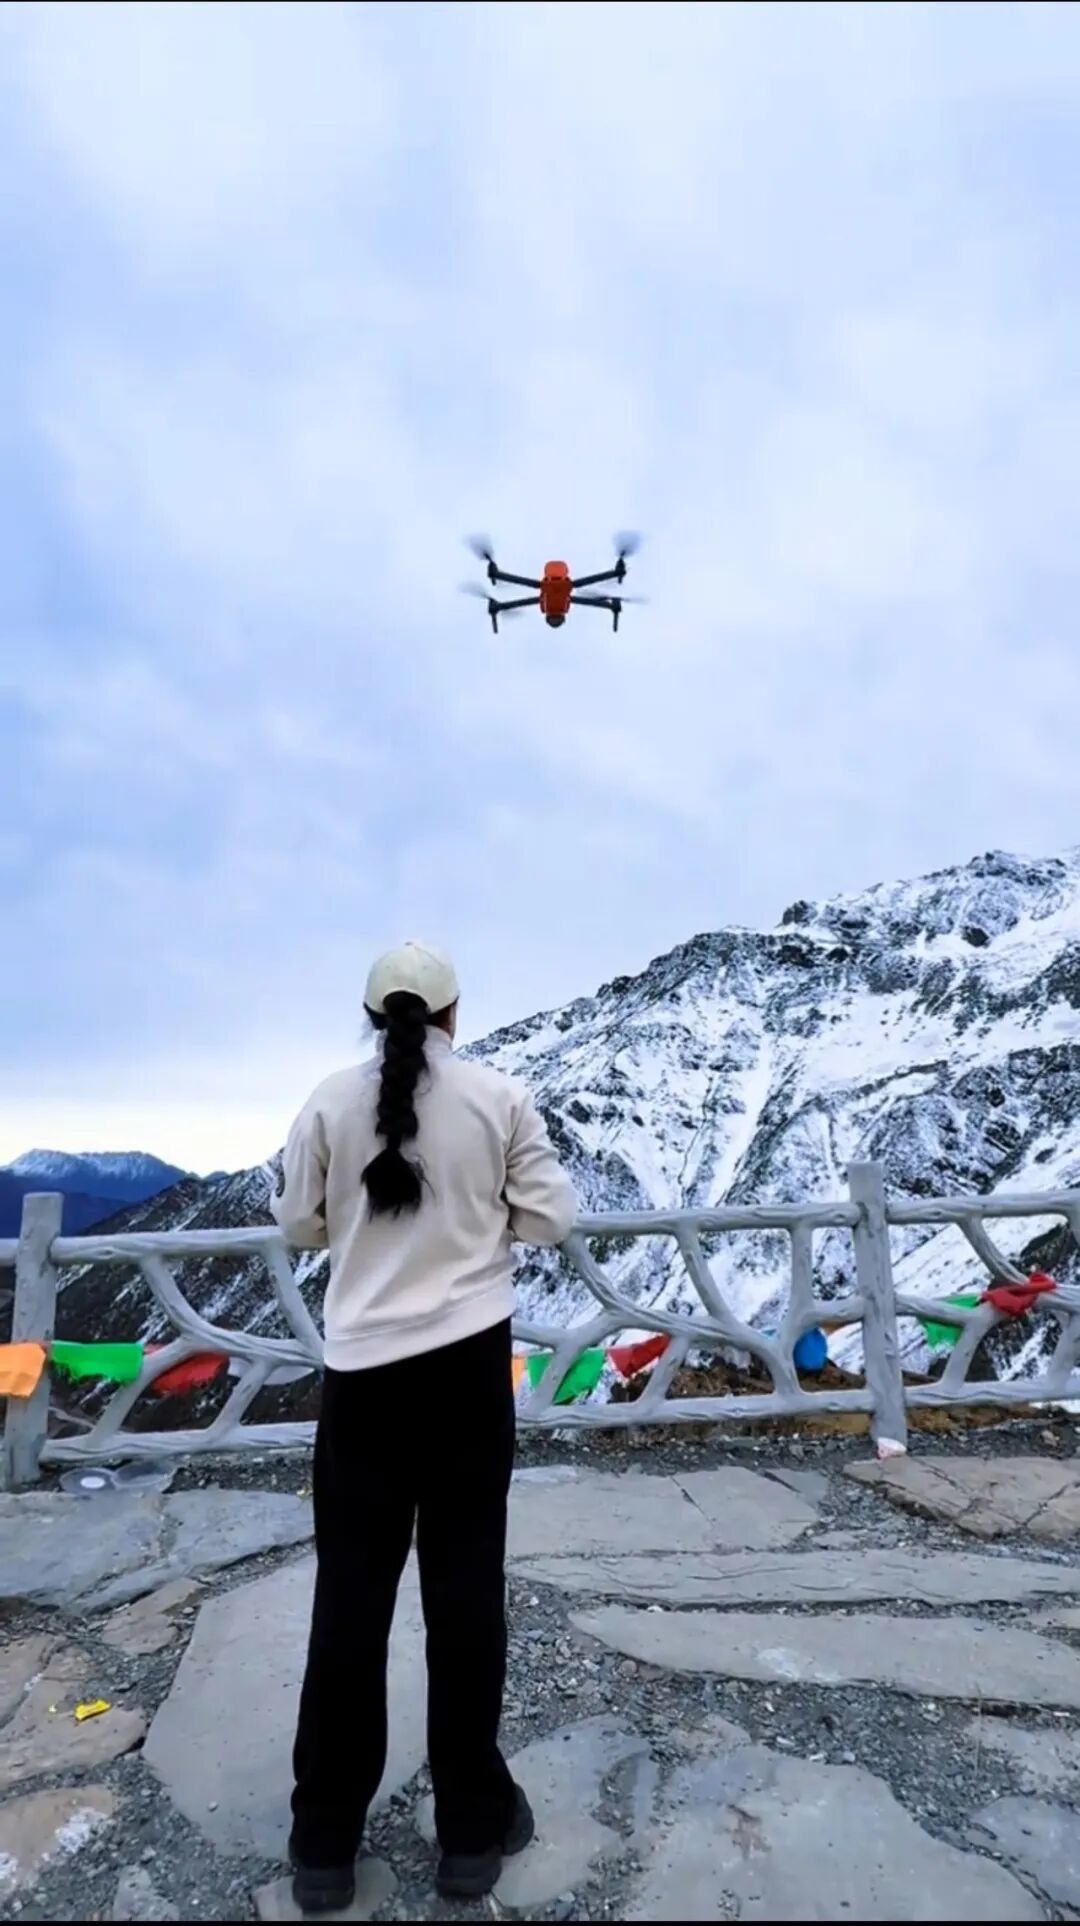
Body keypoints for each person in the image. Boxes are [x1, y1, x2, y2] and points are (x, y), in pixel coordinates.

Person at [271, 939, 578, 1914]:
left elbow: (298, 1224)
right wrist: (479, 1228)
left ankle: (324, 1842)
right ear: (453, 1014)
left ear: (373, 1016)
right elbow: (551, 1220)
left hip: (363, 1380)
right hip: (468, 1375)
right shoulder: (500, 1098)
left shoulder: (328, 1101)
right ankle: (470, 1833)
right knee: (465, 1597)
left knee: (349, 1606)